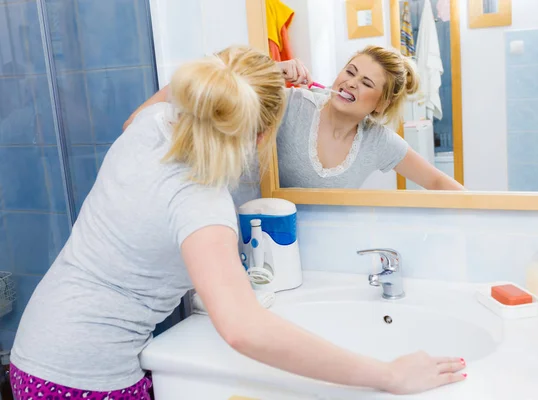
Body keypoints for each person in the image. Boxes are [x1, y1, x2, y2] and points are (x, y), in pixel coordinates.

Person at [10, 44, 465, 399]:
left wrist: (257, 72)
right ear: (266, 132)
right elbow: (244, 329)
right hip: (85, 375)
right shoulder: (200, 201)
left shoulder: (152, 125)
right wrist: (387, 374)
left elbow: (179, 90)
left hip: (34, 351)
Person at [276, 45, 465, 190]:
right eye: (350, 72)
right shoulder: (293, 103)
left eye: (366, 83)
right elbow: (245, 94)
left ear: (382, 104)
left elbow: (437, 181)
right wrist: (274, 69)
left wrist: (484, 214)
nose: (350, 83)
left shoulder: (378, 140)